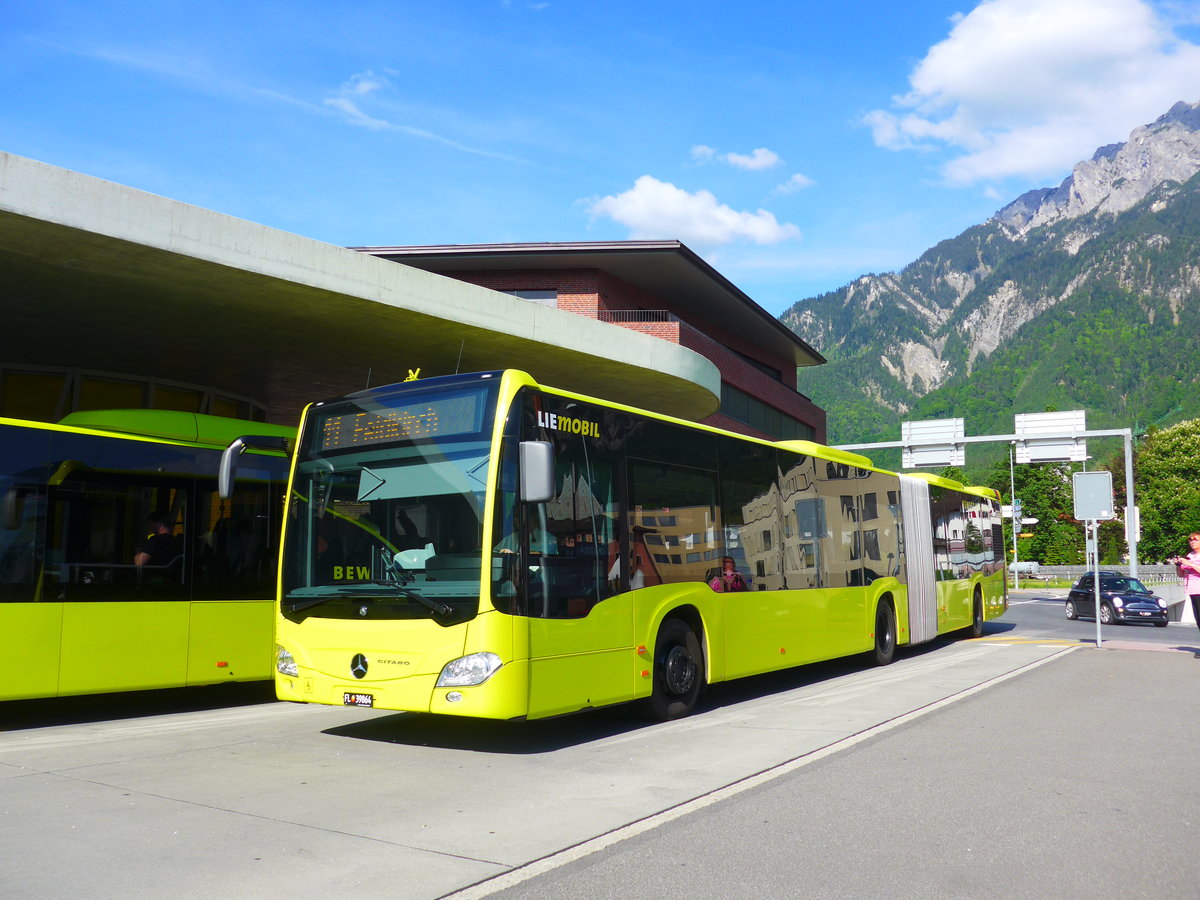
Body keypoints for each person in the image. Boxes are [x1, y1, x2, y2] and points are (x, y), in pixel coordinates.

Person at [1169, 532, 1200, 630]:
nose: (1192, 542)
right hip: (1192, 590)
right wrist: (1179, 565)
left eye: (1195, 540)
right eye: (1190, 540)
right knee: (1198, 619)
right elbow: (1181, 575)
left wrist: (1190, 564)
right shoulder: (1190, 555)